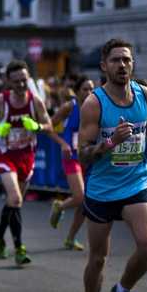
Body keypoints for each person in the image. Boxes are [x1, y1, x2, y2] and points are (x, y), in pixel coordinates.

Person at [77, 38, 147, 292]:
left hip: (135, 182)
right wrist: (109, 143)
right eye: (115, 60)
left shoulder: (146, 96)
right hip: (101, 189)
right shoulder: (94, 103)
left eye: (126, 60)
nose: (122, 65)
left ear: (133, 64)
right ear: (104, 66)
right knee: (98, 258)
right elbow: (82, 153)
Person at [0, 60, 52, 266]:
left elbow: (50, 125)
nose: (21, 85)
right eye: (17, 81)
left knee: (13, 202)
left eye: (24, 80)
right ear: (9, 82)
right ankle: (19, 247)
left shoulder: (34, 101)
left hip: (26, 156)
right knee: (16, 198)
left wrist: (37, 126)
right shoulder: (1, 101)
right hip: (5, 155)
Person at [47, 76, 95, 250]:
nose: (89, 92)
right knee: (80, 196)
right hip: (71, 157)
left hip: (89, 157)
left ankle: (70, 238)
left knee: (85, 202)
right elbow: (48, 127)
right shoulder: (70, 107)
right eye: (85, 89)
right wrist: (63, 144)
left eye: (91, 89)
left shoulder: (97, 108)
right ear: (77, 92)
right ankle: (60, 206)